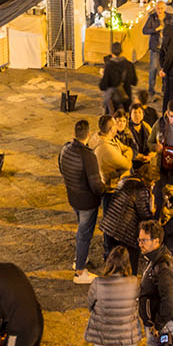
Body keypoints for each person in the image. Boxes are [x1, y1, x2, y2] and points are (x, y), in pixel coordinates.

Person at [60, 118, 106, 284]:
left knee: (81, 230)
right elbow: (95, 185)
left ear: (74, 133)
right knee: (84, 234)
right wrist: (104, 190)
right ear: (88, 134)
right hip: (87, 202)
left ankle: (79, 257)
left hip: (73, 197)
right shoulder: (88, 157)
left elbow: (61, 169)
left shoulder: (65, 149)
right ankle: (80, 271)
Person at [83, 246, 141, 346]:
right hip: (128, 343)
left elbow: (90, 305)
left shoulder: (98, 283)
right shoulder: (134, 282)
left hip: (105, 343)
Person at [138, 220, 173, 346]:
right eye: (139, 239)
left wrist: (158, 325)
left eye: (144, 240)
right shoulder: (155, 258)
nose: (140, 243)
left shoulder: (163, 267)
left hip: (163, 326)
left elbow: (169, 301)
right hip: (158, 324)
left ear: (156, 241)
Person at [100, 160, 152, 273]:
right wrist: (152, 212)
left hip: (111, 226)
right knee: (130, 260)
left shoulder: (125, 180)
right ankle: (129, 283)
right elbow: (144, 213)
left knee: (114, 258)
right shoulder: (140, 188)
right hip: (126, 231)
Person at [98, 41, 138, 115]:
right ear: (122, 51)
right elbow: (134, 82)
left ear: (112, 53)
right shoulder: (129, 65)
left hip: (113, 102)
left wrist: (102, 76)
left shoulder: (109, 67)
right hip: (126, 99)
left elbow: (102, 86)